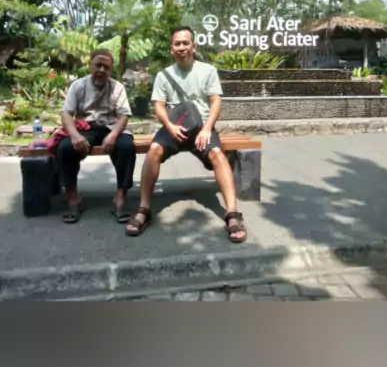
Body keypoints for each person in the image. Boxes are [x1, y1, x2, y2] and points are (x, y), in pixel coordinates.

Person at [125, 27, 247, 242]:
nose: (181, 47)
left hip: (201, 127)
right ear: (171, 48)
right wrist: (170, 127)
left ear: (193, 46)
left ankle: (232, 213)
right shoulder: (163, 75)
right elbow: (159, 106)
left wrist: (207, 128)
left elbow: (216, 101)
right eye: (177, 44)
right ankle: (144, 209)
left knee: (218, 154)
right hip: (174, 127)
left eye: (185, 43)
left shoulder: (208, 71)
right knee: (154, 150)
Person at [57, 49, 136, 224]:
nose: (101, 70)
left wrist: (113, 135)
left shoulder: (117, 87)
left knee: (127, 147)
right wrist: (75, 136)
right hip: (85, 127)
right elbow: (66, 113)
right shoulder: (78, 85)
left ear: (111, 70)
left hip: (110, 127)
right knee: (65, 148)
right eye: (98, 65)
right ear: (90, 65)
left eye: (106, 67)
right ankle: (74, 198)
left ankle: (120, 196)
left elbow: (124, 115)